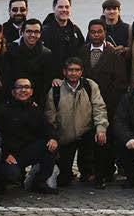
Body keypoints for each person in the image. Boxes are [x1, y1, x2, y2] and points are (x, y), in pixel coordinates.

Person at [45, 58, 109, 188]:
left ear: (81, 72)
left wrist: (101, 128)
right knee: (63, 180)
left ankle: (97, 175)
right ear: (64, 72)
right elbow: (50, 117)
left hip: (86, 132)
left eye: (77, 70)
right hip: (65, 137)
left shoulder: (90, 86)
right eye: (70, 70)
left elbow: (99, 108)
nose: (73, 73)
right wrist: (53, 137)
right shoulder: (55, 91)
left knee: (101, 141)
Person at [0, 77, 58, 194]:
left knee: (50, 146)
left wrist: (52, 138)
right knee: (12, 174)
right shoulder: (2, 110)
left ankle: (39, 182)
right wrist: (5, 154)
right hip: (9, 154)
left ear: (31, 92)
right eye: (19, 87)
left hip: (26, 151)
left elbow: (47, 127)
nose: (23, 90)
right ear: (13, 92)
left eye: (27, 87)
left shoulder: (35, 109)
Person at [81, 18, 129, 119]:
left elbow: (120, 82)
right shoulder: (82, 51)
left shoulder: (114, 53)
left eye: (99, 32)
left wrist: (109, 101)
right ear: (89, 33)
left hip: (108, 103)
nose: (96, 35)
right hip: (85, 102)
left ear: (105, 33)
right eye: (93, 32)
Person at [7, 18, 57, 104]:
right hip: (13, 99)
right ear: (22, 33)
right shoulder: (11, 50)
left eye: (36, 32)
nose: (33, 35)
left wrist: (37, 101)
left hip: (36, 100)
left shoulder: (46, 54)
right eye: (29, 31)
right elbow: (7, 77)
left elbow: (46, 82)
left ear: (40, 34)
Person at [41, 0, 85, 71]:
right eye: (60, 7)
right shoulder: (44, 31)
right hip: (53, 79)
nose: (64, 10)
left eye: (67, 7)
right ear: (54, 8)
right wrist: (53, 78)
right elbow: (43, 59)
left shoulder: (75, 30)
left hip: (73, 77)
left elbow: (83, 51)